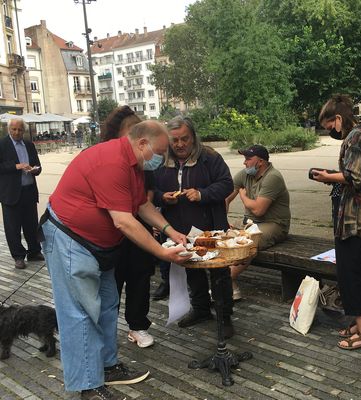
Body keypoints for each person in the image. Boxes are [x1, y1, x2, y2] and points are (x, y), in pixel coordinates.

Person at [40, 120, 191, 400]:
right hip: (71, 239)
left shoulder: (134, 165)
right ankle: (87, 385)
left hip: (100, 247)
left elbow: (141, 205)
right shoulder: (111, 161)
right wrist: (160, 252)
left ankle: (107, 366)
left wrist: (170, 231)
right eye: (160, 151)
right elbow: (123, 221)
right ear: (142, 143)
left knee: (108, 303)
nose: (162, 158)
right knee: (80, 313)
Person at [153, 116, 236, 337]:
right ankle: (200, 309)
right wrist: (163, 197)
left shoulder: (209, 157)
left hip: (210, 227)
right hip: (179, 230)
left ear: (193, 137)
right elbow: (151, 193)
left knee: (219, 272)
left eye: (185, 139)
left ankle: (224, 316)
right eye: (175, 140)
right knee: (191, 270)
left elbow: (227, 184)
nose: (180, 145)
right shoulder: (162, 160)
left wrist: (203, 194)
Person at [311, 94, 361, 350]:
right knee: (352, 272)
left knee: (353, 274)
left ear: (338, 119)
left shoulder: (356, 138)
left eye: (330, 126)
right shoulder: (358, 137)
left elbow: (356, 177)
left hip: (354, 218)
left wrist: (328, 176)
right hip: (352, 217)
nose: (330, 131)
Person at [101, 106, 156, 349]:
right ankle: (106, 328)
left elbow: (146, 196)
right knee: (112, 281)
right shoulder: (105, 157)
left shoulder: (143, 157)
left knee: (141, 275)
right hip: (112, 228)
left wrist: (156, 224)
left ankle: (137, 325)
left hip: (139, 224)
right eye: (131, 131)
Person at [225, 144, 291, 300]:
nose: (244, 162)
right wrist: (222, 220)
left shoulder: (273, 177)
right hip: (250, 223)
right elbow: (225, 198)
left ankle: (226, 281)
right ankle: (231, 286)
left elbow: (258, 210)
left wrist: (243, 197)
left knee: (247, 241)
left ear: (260, 162)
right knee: (222, 235)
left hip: (274, 224)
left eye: (248, 159)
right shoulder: (245, 174)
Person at [0, 118, 44, 269]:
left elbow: (38, 166)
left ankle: (34, 252)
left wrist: (35, 169)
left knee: (31, 225)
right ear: (9, 129)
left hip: (29, 192)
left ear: (24, 131)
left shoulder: (29, 145)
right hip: (11, 194)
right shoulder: (2, 144)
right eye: (14, 129)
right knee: (13, 228)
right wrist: (16, 166)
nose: (17, 132)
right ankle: (18, 256)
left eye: (20, 130)